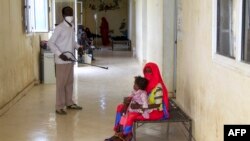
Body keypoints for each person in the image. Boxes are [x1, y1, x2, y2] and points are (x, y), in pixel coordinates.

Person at [105, 62, 169, 141]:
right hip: (144, 107)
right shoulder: (147, 83)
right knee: (120, 107)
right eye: (146, 71)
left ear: (155, 72)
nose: (147, 73)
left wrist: (139, 106)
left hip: (155, 111)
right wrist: (128, 100)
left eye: (150, 71)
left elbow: (157, 104)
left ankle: (126, 136)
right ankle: (118, 131)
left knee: (131, 115)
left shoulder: (158, 86)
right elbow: (138, 94)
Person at [48, 6, 83, 115]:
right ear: (63, 15)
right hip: (61, 61)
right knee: (61, 84)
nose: (70, 16)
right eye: (68, 13)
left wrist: (78, 47)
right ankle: (59, 107)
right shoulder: (59, 28)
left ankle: (69, 103)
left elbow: (72, 41)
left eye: (71, 13)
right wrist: (60, 54)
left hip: (70, 59)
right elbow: (50, 43)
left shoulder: (71, 26)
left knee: (69, 82)